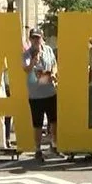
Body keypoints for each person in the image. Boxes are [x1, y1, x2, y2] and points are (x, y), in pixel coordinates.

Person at [22, 28, 58, 160]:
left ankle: (54, 145)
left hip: (50, 91)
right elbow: (25, 69)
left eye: (38, 37)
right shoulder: (27, 53)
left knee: (54, 121)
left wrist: (54, 73)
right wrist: (33, 61)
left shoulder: (48, 50)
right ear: (30, 39)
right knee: (37, 124)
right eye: (33, 38)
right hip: (35, 95)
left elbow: (54, 64)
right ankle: (37, 149)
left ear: (42, 38)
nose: (36, 40)